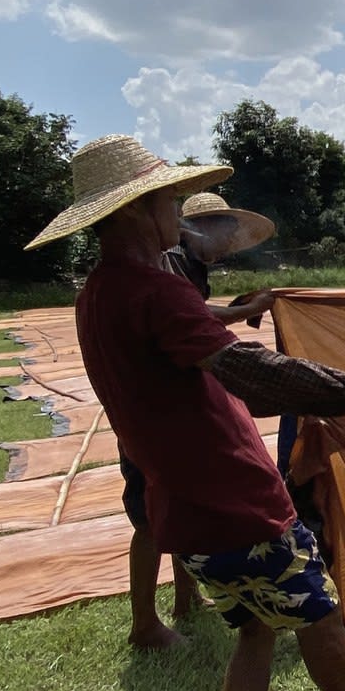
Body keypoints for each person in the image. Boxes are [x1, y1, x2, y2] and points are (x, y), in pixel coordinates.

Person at [27, 135, 345, 691]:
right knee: (322, 620)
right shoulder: (151, 291)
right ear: (139, 211)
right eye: (169, 201)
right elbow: (244, 370)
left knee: (257, 631)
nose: (180, 213)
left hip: (187, 505)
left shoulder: (100, 293)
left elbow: (226, 386)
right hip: (234, 503)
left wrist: (317, 396)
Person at [118, 190, 279, 650]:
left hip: (166, 413)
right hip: (149, 417)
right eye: (224, 237)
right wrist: (245, 312)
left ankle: (185, 599)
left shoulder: (192, 267)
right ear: (198, 229)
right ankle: (144, 625)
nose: (228, 247)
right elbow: (196, 316)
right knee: (148, 521)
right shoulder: (170, 265)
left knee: (178, 508)